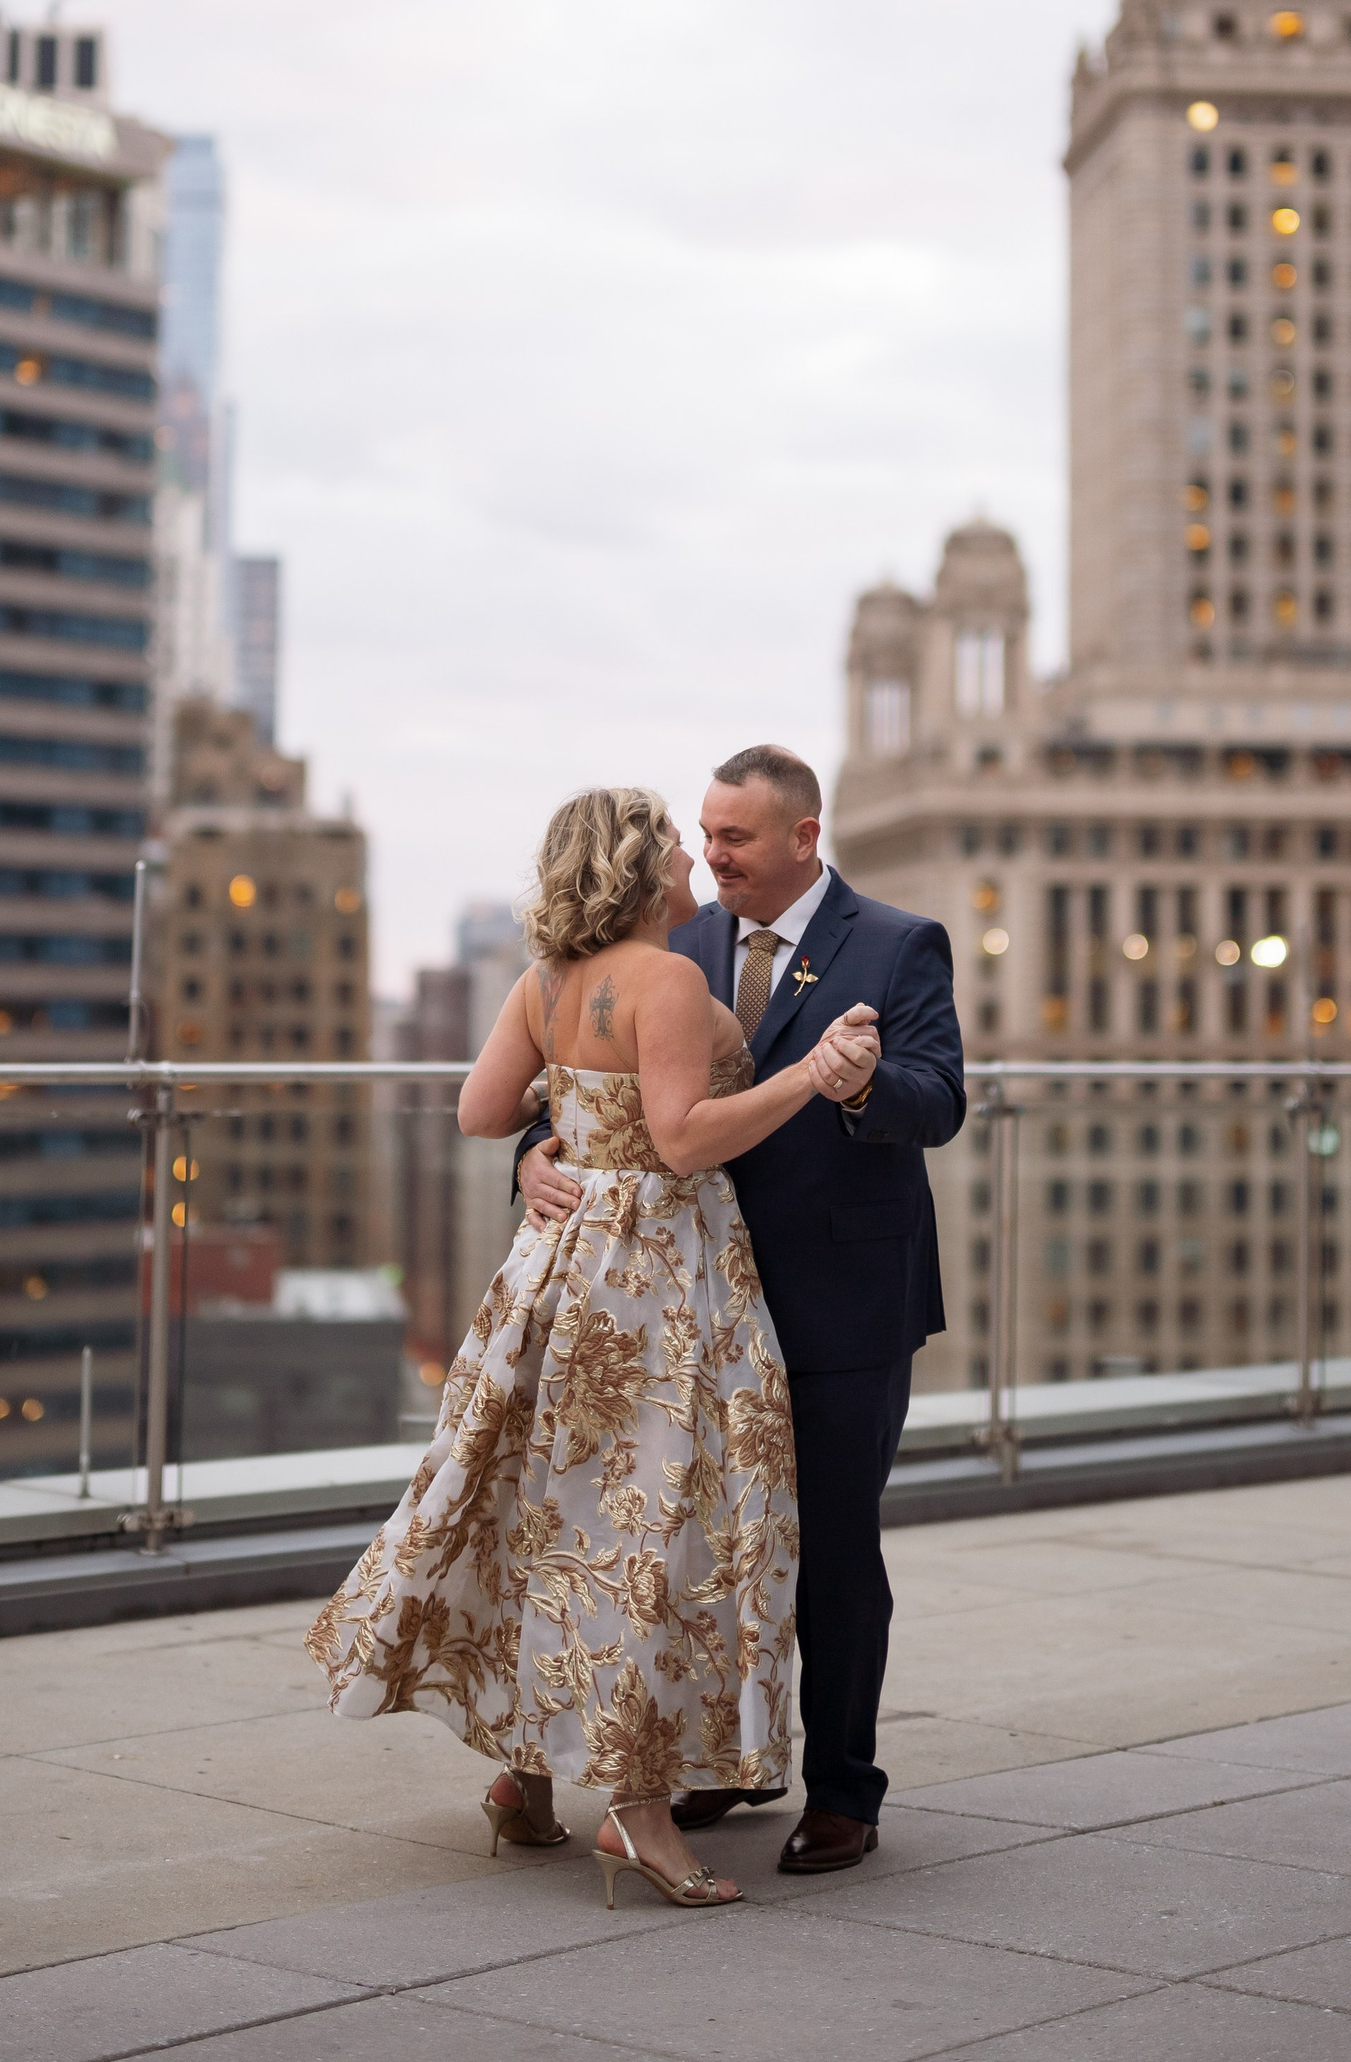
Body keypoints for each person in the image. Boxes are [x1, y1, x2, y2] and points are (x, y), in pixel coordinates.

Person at [305, 783, 880, 1912]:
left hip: (555, 1269)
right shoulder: (665, 981)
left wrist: (556, 1129)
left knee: (546, 1513)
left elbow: (480, 1112)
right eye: (674, 841)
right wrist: (809, 1077)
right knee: (651, 1531)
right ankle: (639, 1809)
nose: (691, 857)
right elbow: (682, 1140)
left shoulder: (546, 980)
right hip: (657, 1281)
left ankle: (523, 1785)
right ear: (640, 866)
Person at [518, 743, 965, 1874]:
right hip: (691, 1312)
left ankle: (845, 1793)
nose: (711, 856)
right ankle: (725, 1763)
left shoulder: (900, 942)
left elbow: (939, 1099)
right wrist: (534, 1152)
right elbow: (590, 1080)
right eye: (705, 835)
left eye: (735, 837)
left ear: (804, 838)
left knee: (833, 1552)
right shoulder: (674, 940)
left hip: (839, 1304)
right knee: (702, 1550)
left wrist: (861, 1085)